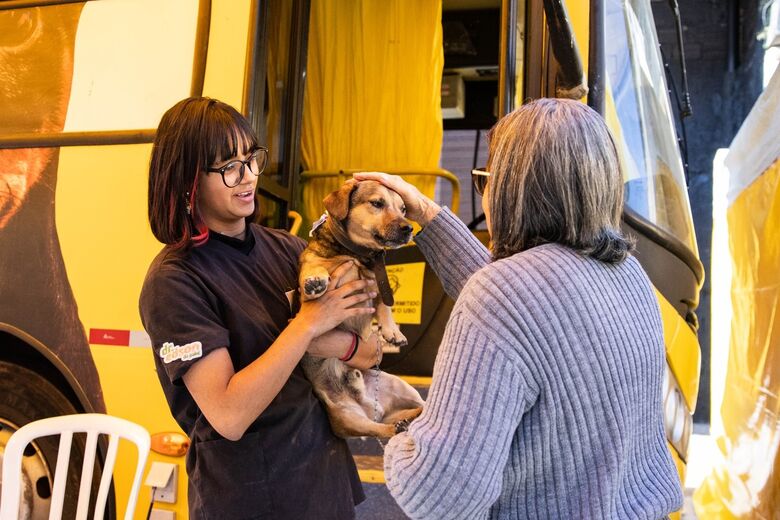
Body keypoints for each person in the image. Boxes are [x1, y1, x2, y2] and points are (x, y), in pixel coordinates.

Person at [356, 98, 684, 519]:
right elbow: (527, 312)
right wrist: (428, 215)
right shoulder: (628, 275)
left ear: (511, 188)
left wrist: (402, 421)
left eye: (485, 179)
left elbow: (440, 494)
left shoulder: (501, 296)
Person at [139, 96, 381, 519]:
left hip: (325, 484)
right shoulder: (175, 281)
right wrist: (307, 327)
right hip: (252, 496)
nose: (249, 176)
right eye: (229, 167)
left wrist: (334, 343)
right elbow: (229, 414)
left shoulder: (289, 250)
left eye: (251, 158)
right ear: (186, 181)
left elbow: (371, 351)